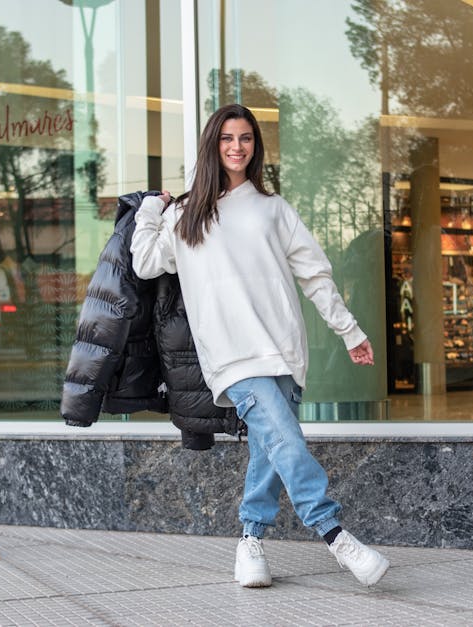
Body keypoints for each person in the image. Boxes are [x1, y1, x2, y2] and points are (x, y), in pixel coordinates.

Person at [130, 104, 389, 588]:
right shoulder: (186, 215)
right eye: (227, 138)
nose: (236, 146)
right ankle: (334, 534)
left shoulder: (274, 209)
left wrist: (350, 331)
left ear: (255, 146)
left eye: (246, 137)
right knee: (287, 440)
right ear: (213, 144)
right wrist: (150, 209)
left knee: (269, 451)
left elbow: (315, 275)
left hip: (285, 350)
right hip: (232, 357)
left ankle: (250, 541)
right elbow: (145, 263)